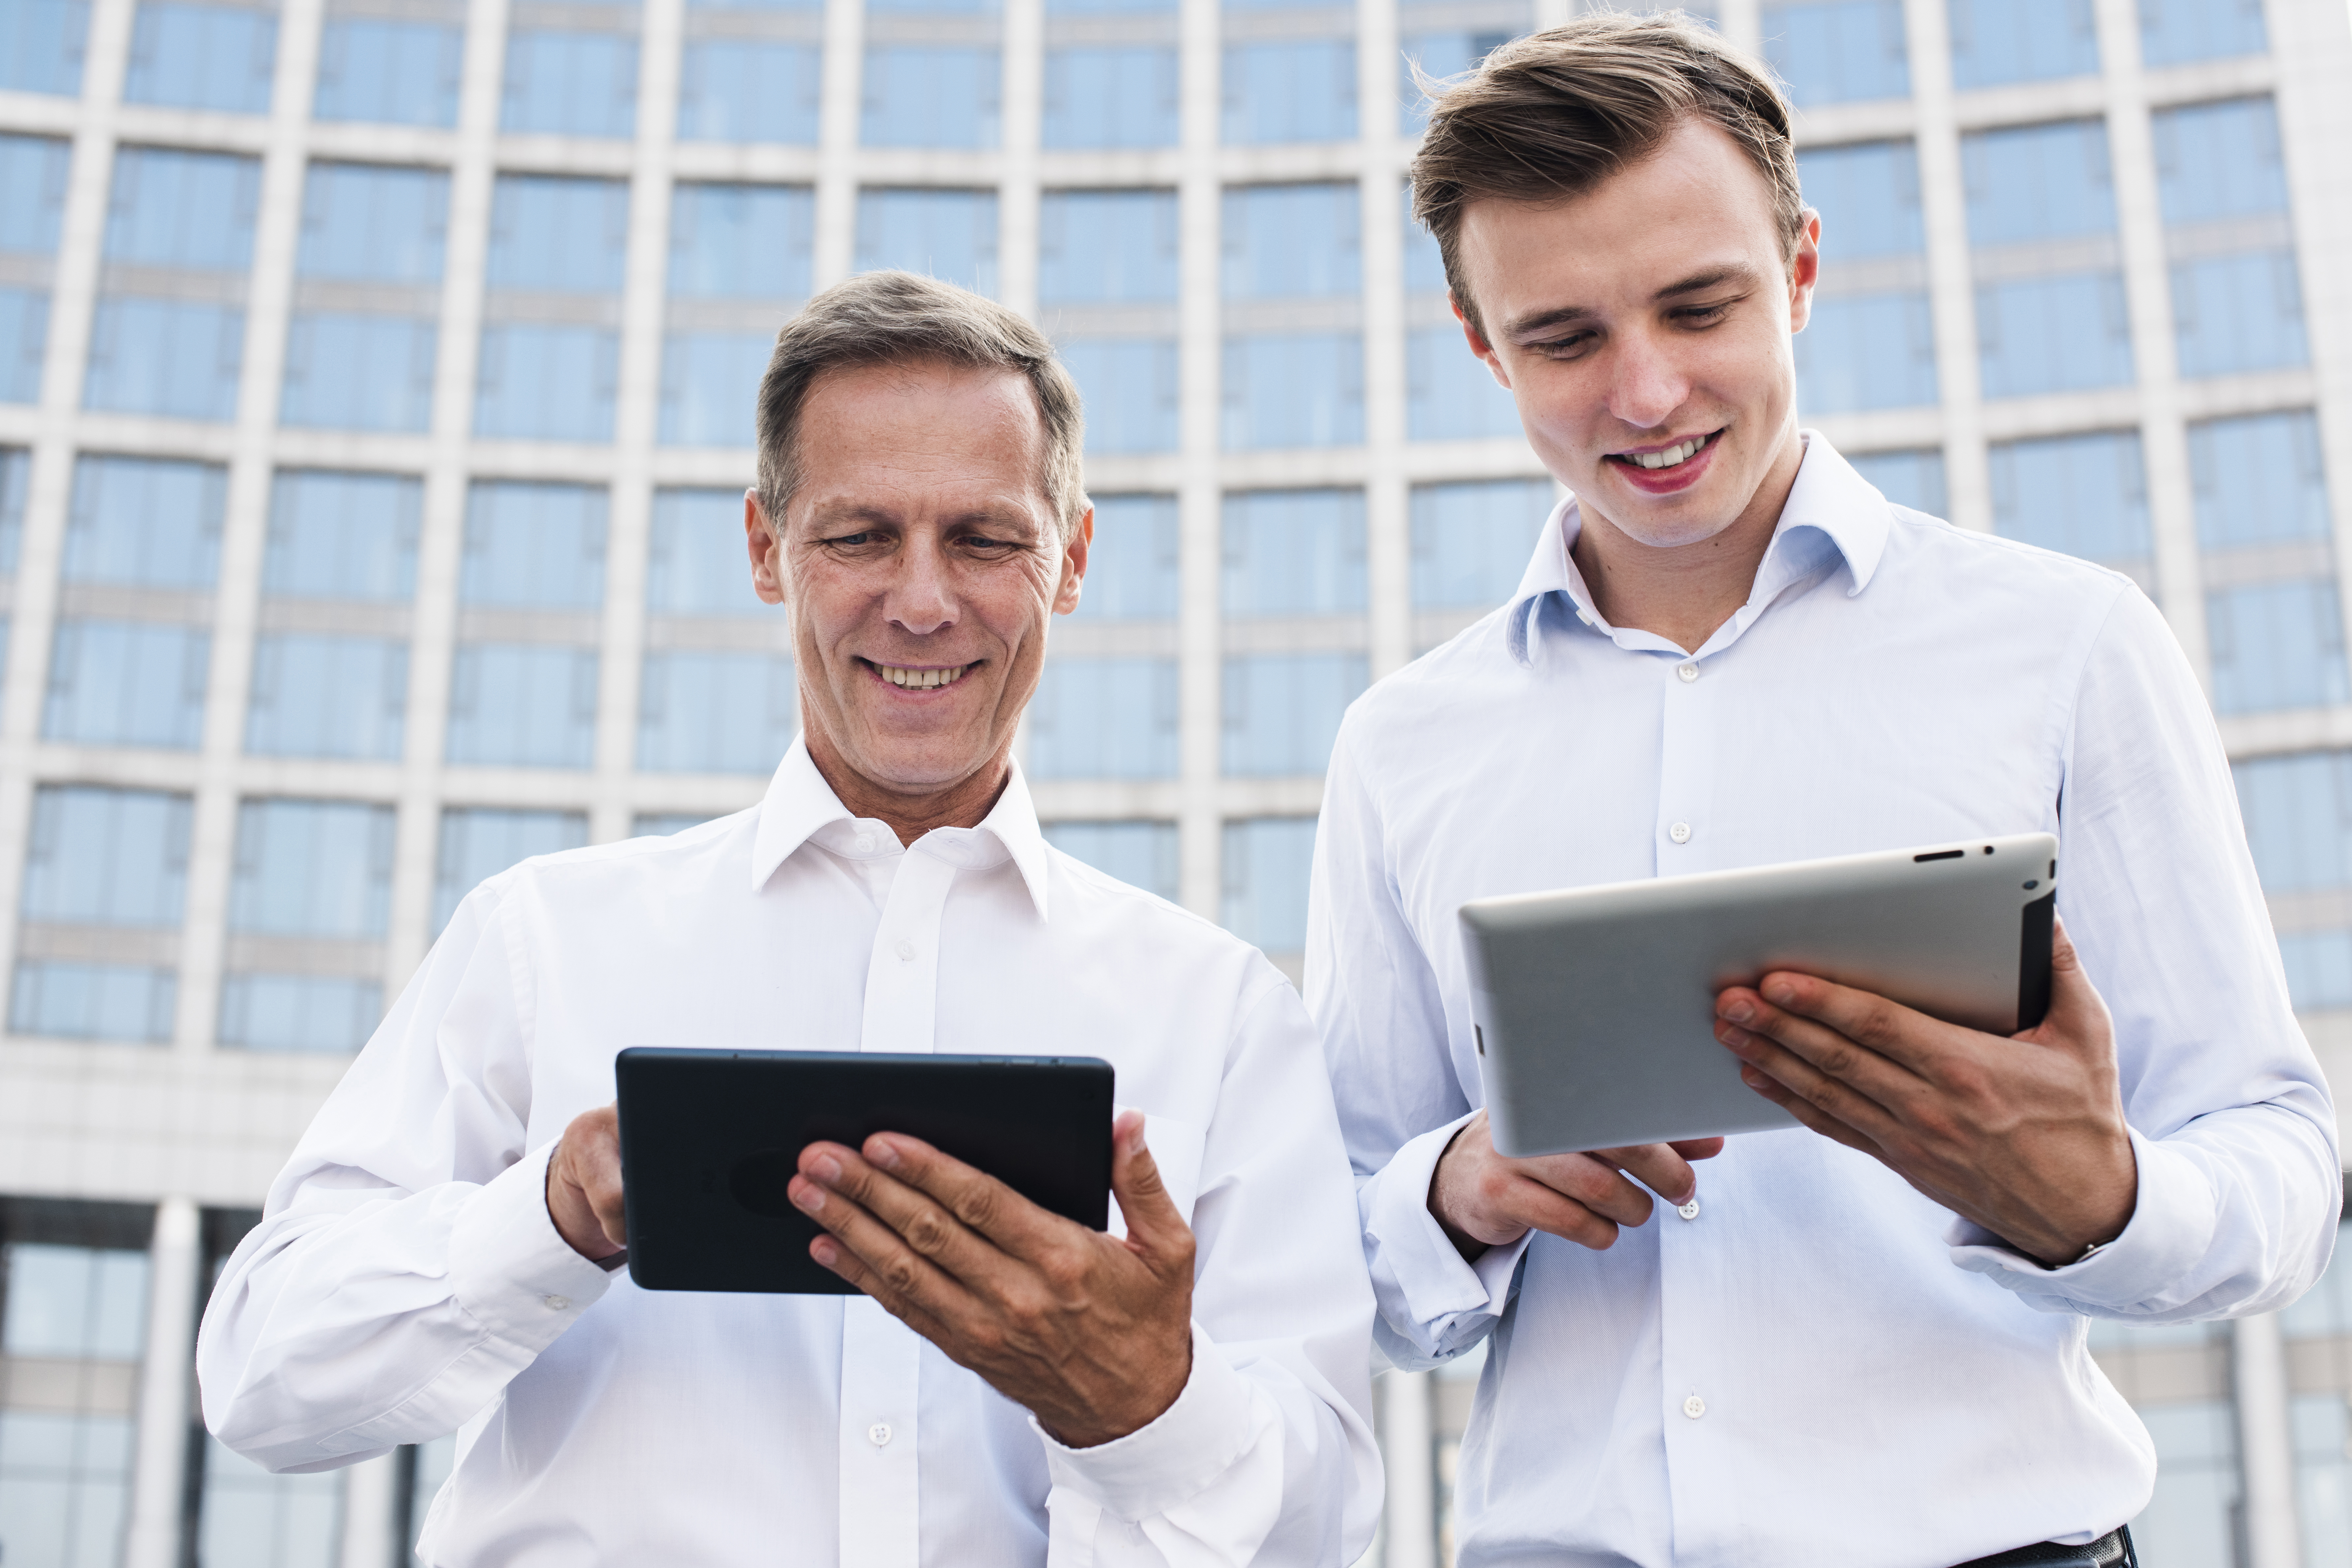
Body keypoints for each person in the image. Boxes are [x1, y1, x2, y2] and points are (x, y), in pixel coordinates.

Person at [1312, 15, 2337, 1568]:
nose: (1645, 392)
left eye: (1698, 305)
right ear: (1479, 341)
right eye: (1565, 338)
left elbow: (2276, 1156)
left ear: (1797, 267)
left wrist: (2095, 1194)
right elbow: (1329, 1260)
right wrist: (1454, 1189)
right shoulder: (1405, 746)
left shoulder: (2062, 645)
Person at [199, 270, 1380, 1567]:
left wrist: (1150, 1403)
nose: (923, 601)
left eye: (985, 540)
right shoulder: (544, 940)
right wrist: (548, 1215)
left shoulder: (1214, 1012)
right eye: (860, 536)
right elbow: (263, 1374)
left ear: (1073, 557)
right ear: (767, 551)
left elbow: (1328, 1522)